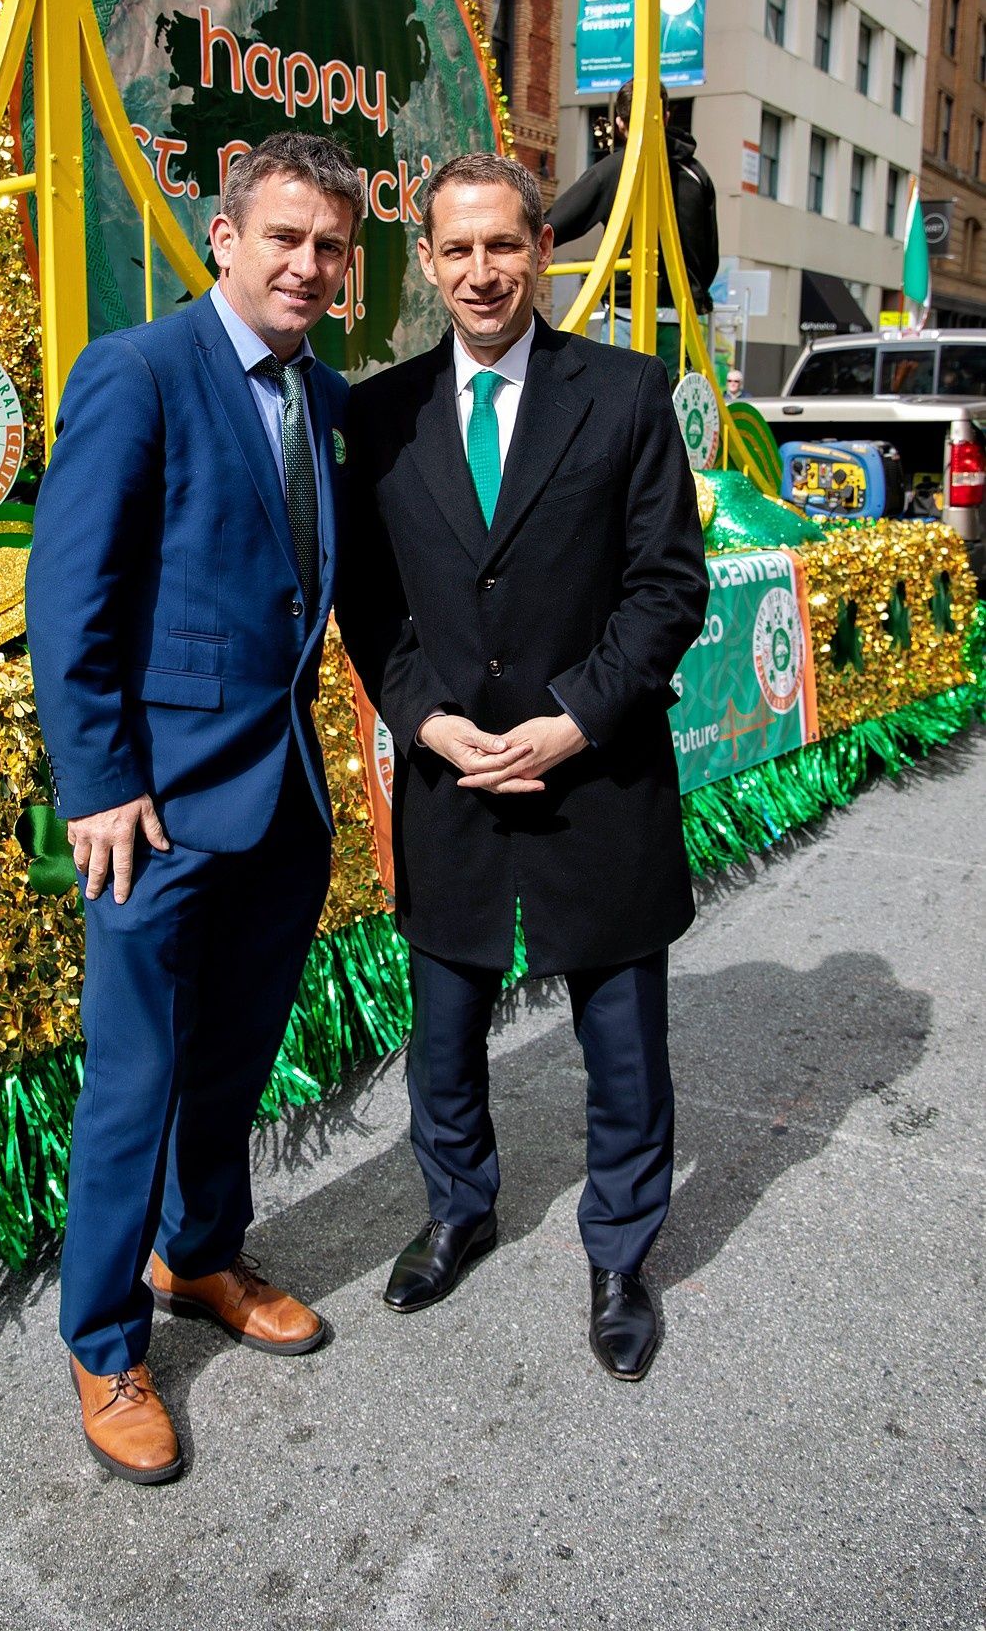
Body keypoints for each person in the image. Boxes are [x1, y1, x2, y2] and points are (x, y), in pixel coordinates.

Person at [338, 151, 708, 1381]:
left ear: (541, 250)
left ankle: (619, 1254)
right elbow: (368, 603)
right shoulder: (379, 414)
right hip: (449, 776)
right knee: (442, 1034)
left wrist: (572, 717)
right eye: (456, 249)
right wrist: (426, 722)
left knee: (621, 1045)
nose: (481, 270)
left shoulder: (624, 392)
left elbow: (666, 587)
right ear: (426, 262)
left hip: (593, 774)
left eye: (503, 244)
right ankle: (457, 1209)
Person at [26, 132, 359, 1483]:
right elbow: (71, 596)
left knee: (228, 1063)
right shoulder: (140, 370)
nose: (307, 264)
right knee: (135, 1083)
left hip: (282, 799)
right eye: (283, 236)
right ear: (224, 238)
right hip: (154, 812)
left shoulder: (327, 398)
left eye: (330, 245)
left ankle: (201, 1254)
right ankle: (104, 1346)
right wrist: (101, 781)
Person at [547, 79, 719, 375]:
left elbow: (555, 224)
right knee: (672, 397)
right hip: (682, 316)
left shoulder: (614, 169)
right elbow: (710, 254)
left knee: (617, 396)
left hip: (627, 310)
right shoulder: (695, 174)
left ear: (619, 123)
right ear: (665, 116)